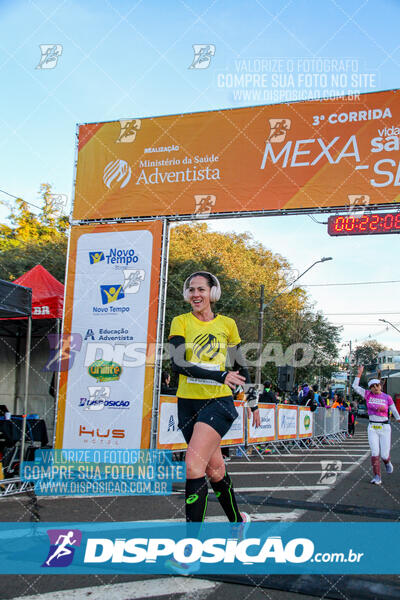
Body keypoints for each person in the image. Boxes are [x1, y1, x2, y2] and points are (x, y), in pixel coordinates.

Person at [169, 271, 260, 533]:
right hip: (187, 403)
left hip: (218, 403)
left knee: (193, 463)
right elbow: (178, 364)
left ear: (213, 293)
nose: (196, 295)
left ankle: (190, 549)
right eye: (191, 290)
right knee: (215, 469)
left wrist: (252, 402)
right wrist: (220, 374)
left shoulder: (227, 324)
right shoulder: (180, 322)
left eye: (201, 290)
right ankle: (238, 522)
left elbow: (241, 367)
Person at [352, 365, 400, 485]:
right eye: (372, 387)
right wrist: (359, 373)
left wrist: (398, 418)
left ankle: (387, 462)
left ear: (381, 386)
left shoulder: (387, 397)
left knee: (384, 455)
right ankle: (377, 476)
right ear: (370, 388)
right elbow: (355, 386)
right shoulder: (368, 395)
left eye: (377, 385)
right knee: (374, 453)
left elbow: (394, 411)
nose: (375, 388)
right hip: (372, 427)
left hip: (385, 427)